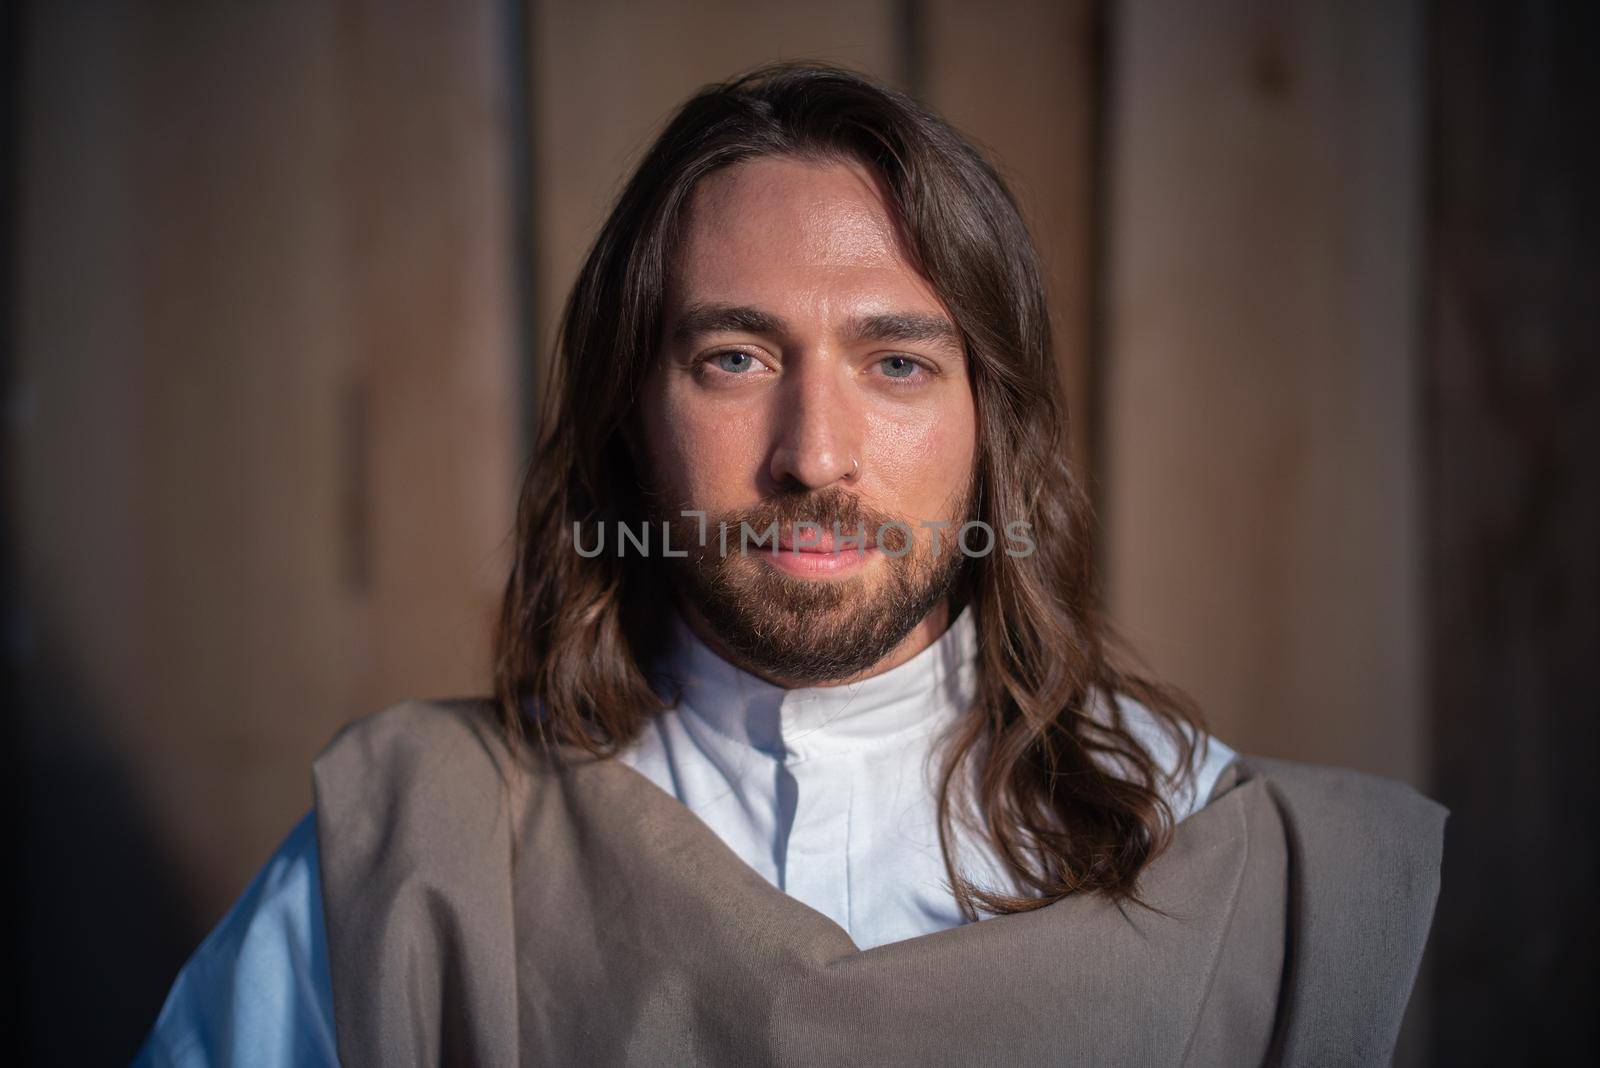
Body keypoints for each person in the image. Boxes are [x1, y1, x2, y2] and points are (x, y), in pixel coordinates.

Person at [136, 61, 1445, 1066]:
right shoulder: (403, 858)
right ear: (628, 419)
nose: (816, 456)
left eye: (896, 364)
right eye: (734, 360)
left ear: (994, 429)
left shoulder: (1264, 882)